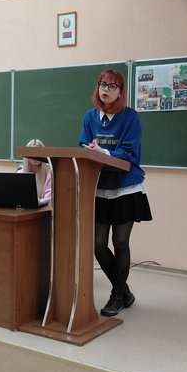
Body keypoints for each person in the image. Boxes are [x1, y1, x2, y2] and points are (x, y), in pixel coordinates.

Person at [79, 69, 152, 316]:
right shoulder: (90, 117)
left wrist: (104, 153)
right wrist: (90, 150)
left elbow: (130, 154)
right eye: (102, 84)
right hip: (100, 188)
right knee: (98, 245)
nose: (105, 89)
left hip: (125, 188)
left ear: (120, 92)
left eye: (112, 86)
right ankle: (125, 291)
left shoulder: (130, 117)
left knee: (120, 242)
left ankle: (117, 296)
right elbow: (83, 146)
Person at [16, 138, 52, 204]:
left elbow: (47, 201)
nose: (35, 156)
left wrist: (33, 199)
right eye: (32, 153)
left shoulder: (49, 176)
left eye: (38, 153)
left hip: (42, 210)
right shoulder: (19, 173)